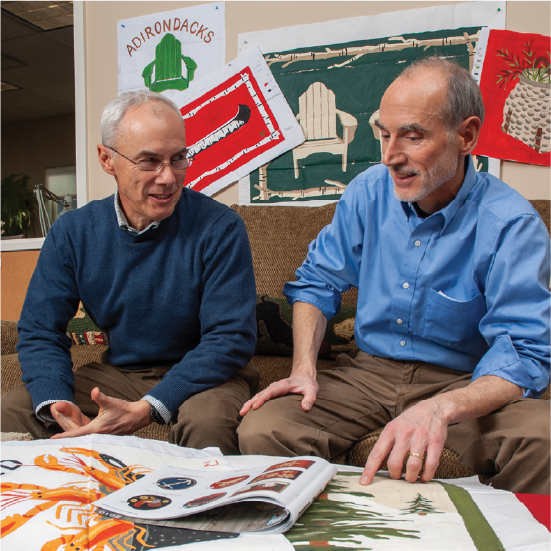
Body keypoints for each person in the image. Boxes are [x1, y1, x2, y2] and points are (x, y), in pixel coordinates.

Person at [238, 57, 551, 494]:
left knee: (544, 438)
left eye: (412, 136)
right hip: (365, 374)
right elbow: (317, 281)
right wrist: (304, 369)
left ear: (466, 135)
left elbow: (523, 351)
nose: (389, 156)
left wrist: (442, 407)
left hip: (463, 380)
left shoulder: (511, 224)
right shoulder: (367, 191)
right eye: (384, 134)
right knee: (264, 428)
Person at [0, 90, 258, 453]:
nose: (169, 177)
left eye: (178, 158)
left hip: (207, 378)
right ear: (107, 159)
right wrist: (55, 401)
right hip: (120, 374)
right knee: (13, 410)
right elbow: (40, 330)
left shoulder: (220, 227)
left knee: (207, 423)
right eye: (149, 161)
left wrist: (148, 408)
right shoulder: (74, 232)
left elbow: (230, 337)